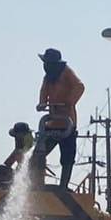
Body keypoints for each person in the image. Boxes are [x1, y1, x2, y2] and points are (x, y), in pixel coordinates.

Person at [36, 48, 84, 190]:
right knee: (38, 154)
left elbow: (80, 87)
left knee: (67, 158)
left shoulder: (66, 72)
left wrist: (69, 102)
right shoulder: (48, 77)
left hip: (67, 123)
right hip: (51, 123)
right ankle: (37, 183)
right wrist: (42, 103)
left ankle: (63, 186)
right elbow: (43, 91)